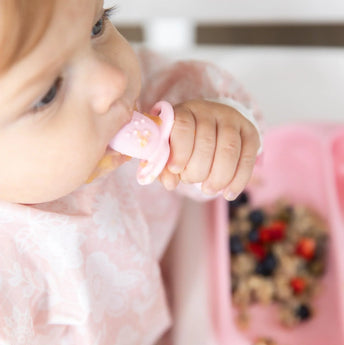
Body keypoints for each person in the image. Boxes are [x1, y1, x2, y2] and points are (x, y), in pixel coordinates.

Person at [0, 0, 262, 344]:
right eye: (47, 94)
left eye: (97, 26)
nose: (115, 79)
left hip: (176, 280)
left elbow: (224, 169)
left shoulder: (151, 97)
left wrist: (208, 137)